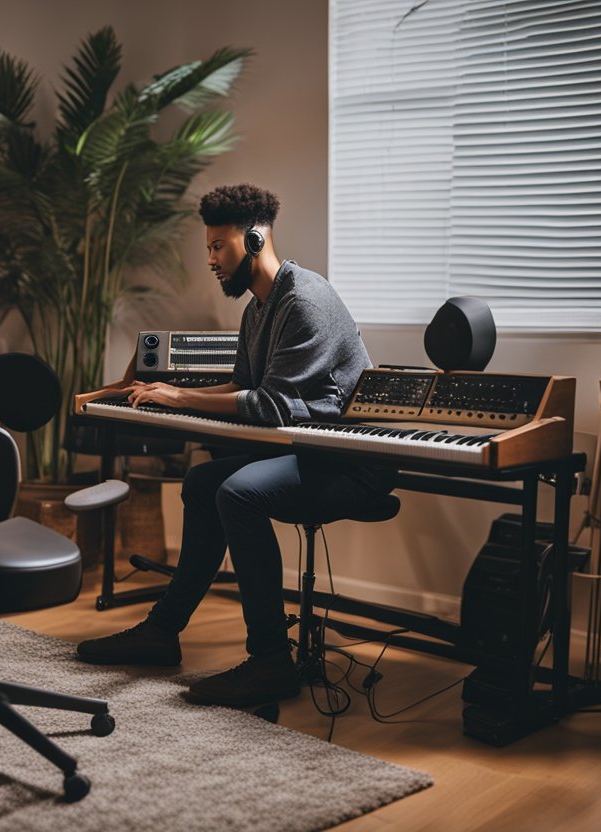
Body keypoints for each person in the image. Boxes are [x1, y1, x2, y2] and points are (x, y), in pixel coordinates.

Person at [75, 183, 395, 707]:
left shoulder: (305, 300)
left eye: (217, 246)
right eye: (207, 248)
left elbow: (268, 405)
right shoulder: (257, 308)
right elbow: (242, 387)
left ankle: (270, 661)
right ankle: (161, 632)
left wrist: (179, 397)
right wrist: (164, 394)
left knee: (238, 493)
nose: (210, 259)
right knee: (205, 482)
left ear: (252, 240)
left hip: (351, 461)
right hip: (308, 450)